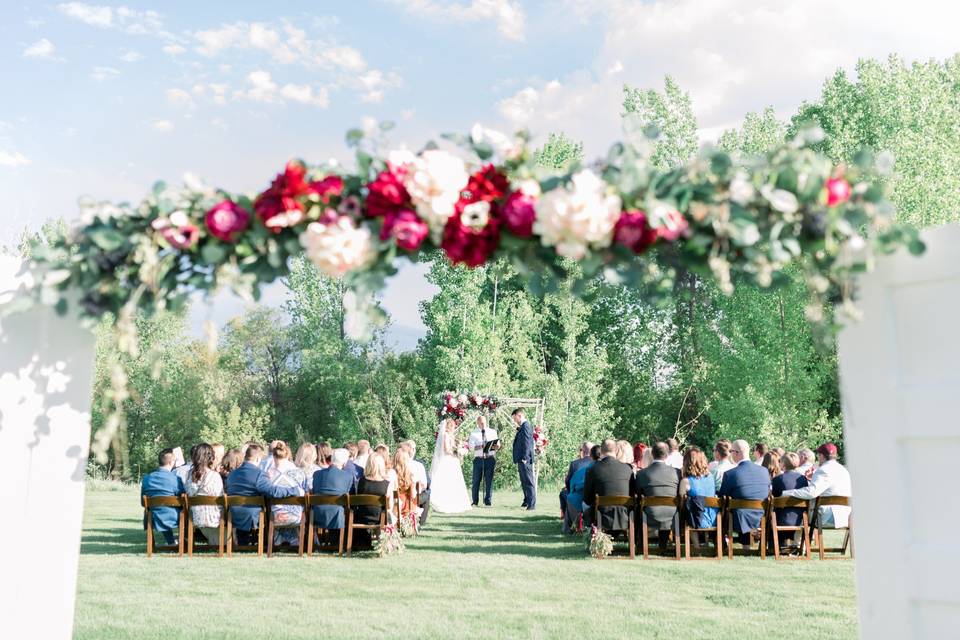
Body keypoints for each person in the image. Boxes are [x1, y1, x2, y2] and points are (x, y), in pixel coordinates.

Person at [225, 444, 300, 547]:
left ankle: (243, 544)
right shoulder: (259, 474)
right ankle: (265, 544)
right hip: (252, 515)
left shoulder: (232, 474)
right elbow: (273, 491)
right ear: (258, 458)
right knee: (267, 509)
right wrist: (293, 490)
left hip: (232, 513)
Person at [718, 439, 772, 550]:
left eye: (731, 451)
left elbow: (722, 497)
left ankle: (721, 543)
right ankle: (746, 546)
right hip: (761, 515)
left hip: (738, 518)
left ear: (736, 453)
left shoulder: (730, 474)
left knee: (725, 509)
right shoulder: (764, 471)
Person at [782, 443, 852, 529]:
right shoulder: (844, 470)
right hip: (847, 516)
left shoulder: (823, 470)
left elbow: (811, 492)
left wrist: (787, 492)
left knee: (798, 515)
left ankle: (797, 541)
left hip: (828, 517)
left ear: (821, 456)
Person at [634, 441, 682, 549]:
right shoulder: (677, 472)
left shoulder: (642, 473)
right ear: (667, 454)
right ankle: (663, 545)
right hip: (672, 513)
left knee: (638, 506)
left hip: (650, 513)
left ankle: (641, 544)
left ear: (652, 454)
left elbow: (637, 493)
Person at [583, 439, 635, 531]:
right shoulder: (627, 469)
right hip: (624, 516)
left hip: (600, 517)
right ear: (616, 451)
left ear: (601, 451)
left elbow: (587, 499)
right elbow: (632, 494)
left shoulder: (592, 469)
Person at [265, 441, 306, 546]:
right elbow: (305, 493)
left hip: (276, 517)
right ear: (288, 455)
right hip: (296, 517)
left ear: (273, 457)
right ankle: (296, 542)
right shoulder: (300, 473)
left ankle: (278, 541)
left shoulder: (268, 475)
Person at [141, 448, 185, 545]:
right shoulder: (175, 479)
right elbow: (183, 499)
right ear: (171, 462)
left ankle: (171, 542)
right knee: (185, 509)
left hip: (153, 516)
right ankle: (184, 541)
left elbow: (143, 503)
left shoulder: (146, 478)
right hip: (174, 517)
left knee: (160, 509)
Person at [310, 448, 356, 541]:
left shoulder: (317, 474)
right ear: (344, 463)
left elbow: (314, 491)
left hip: (318, 513)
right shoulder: (348, 477)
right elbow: (349, 497)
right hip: (337, 514)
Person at [429, 419, 472, 513]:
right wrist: (457, 452)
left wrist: (460, 449)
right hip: (447, 460)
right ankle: (445, 502)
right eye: (452, 426)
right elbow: (447, 450)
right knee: (447, 481)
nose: (454, 428)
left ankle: (454, 501)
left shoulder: (450, 436)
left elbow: (453, 447)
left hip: (452, 460)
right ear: (448, 426)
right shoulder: (445, 435)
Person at [185, 443, 223, 545]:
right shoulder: (215, 476)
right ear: (211, 457)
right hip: (214, 518)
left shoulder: (188, 475)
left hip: (195, 517)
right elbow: (220, 499)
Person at [771, 452, 809, 549]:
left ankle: (774, 547)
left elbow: (773, 499)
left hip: (781, 519)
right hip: (799, 519)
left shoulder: (777, 479)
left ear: (782, 464)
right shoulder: (803, 479)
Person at [680, 447, 718, 545]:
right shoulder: (711, 477)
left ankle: (696, 547)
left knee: (688, 509)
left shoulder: (686, 481)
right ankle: (705, 543)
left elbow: (681, 502)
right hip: (712, 518)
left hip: (696, 519)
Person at [564, 445, 600, 534]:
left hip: (583, 500)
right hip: (602, 501)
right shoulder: (606, 468)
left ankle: (570, 527)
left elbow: (571, 484)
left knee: (570, 497)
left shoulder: (583, 468)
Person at [468, 415, 500, 507]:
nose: (483, 424)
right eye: (481, 423)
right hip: (479, 459)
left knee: (489, 480)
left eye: (484, 422)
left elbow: (498, 444)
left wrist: (496, 446)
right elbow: (471, 447)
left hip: (490, 458)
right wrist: (481, 446)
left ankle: (488, 500)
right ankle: (475, 501)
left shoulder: (492, 432)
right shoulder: (474, 433)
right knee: (476, 480)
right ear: (477, 423)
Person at [512, 408, 537, 510]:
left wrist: (525, 458)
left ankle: (531, 504)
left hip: (525, 459)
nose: (514, 421)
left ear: (519, 416)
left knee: (528, 481)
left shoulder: (526, 426)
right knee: (524, 481)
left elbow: (527, 443)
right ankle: (527, 500)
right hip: (521, 458)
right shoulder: (523, 427)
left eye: (514, 418)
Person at [402, 440, 431, 527]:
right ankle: (421, 522)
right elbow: (425, 485)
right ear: (413, 450)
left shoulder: (396, 465)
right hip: (414, 497)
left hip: (400, 496)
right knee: (428, 492)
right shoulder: (418, 465)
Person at [561, 442, 594, 515]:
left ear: (583, 451)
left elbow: (568, 481)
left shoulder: (575, 464)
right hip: (593, 495)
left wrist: (570, 491)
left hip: (577, 494)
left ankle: (567, 516)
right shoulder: (597, 463)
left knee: (563, 493)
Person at [393, 449, 419, 523]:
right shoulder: (410, 476)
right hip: (405, 507)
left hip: (393, 504)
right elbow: (413, 495)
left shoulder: (390, 474)